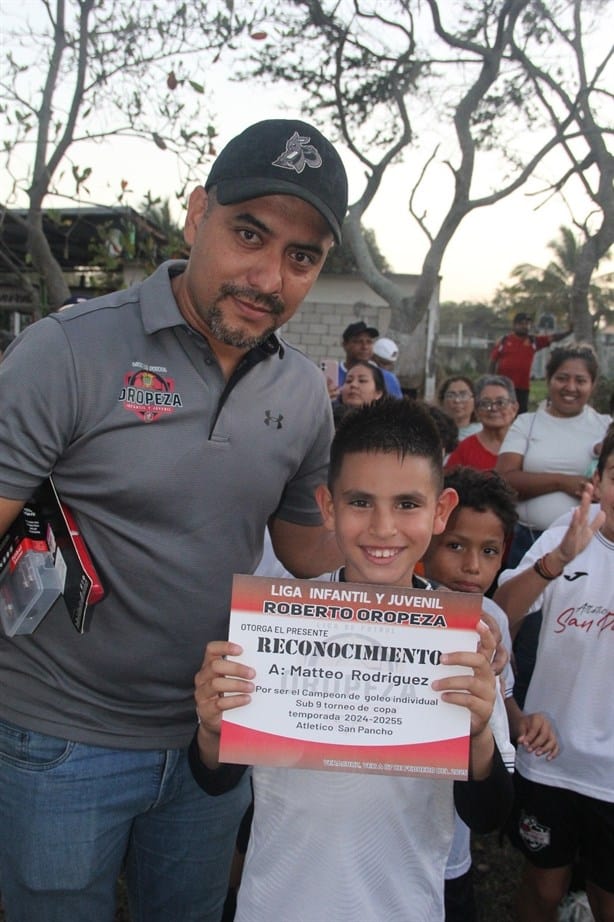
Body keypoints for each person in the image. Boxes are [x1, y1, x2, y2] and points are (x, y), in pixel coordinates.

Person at [0, 118, 349, 922]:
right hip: (58, 736)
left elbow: (304, 550)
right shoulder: (68, 350)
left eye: (302, 258)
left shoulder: (301, 391)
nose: (268, 276)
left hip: (214, 739)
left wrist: (406, 551)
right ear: (197, 217)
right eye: (249, 234)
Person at [191, 398, 513, 922]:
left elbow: (490, 813)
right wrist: (209, 729)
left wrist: (478, 735)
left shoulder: (464, 641)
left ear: (441, 510)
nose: (383, 528)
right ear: (327, 506)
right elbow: (215, 780)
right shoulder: (276, 623)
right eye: (360, 502)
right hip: (273, 905)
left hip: (404, 907)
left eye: (408, 504)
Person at [422, 467, 558, 922]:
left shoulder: (493, 619)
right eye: (456, 546)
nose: (472, 567)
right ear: (429, 535)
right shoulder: (388, 610)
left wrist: (522, 721)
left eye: (489, 551)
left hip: (449, 848)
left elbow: (503, 704)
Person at [493, 427, 614, 922]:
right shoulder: (573, 528)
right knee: (543, 889)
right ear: (599, 480)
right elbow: (501, 613)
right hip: (551, 753)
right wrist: (556, 560)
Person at [495, 344, 610, 705]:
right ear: (548, 379)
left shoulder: (605, 427)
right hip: (532, 543)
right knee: (519, 642)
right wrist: (563, 482)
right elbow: (506, 479)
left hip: (597, 547)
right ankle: (517, 714)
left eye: (580, 380)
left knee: (580, 643)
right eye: (562, 378)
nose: (570, 387)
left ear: (594, 384)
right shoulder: (528, 423)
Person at [489, 312, 573, 414]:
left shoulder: (533, 341)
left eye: (528, 324)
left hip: (522, 387)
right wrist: (491, 381)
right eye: (522, 323)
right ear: (515, 325)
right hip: (504, 386)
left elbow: (553, 338)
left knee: (520, 415)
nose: (525, 326)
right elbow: (493, 361)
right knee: (502, 413)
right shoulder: (504, 340)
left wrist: (569, 332)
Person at [445, 375, 518, 472]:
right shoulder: (464, 450)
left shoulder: (528, 445)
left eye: (501, 402)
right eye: (485, 403)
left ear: (514, 408)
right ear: (477, 410)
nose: (493, 408)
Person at [338, 320, 402, 396]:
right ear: (345, 345)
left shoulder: (387, 378)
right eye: (358, 341)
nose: (365, 347)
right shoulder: (332, 374)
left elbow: (398, 407)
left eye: (369, 342)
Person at [332, 358, 386, 425]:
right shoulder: (328, 419)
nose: (353, 385)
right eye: (348, 381)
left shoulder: (387, 425)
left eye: (362, 380)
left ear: (378, 393)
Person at [438, 375, 482, 440]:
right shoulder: (435, 432)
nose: (457, 400)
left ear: (475, 400)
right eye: (451, 395)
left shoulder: (485, 433)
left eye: (463, 395)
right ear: (442, 401)